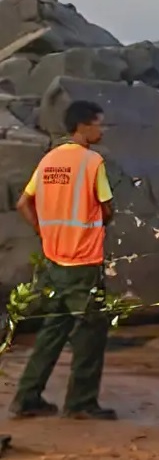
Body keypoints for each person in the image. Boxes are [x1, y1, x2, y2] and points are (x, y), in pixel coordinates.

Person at [9, 100, 116, 421]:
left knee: (53, 329)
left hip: (55, 259)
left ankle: (27, 397)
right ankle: (81, 403)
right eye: (99, 123)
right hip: (83, 261)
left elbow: (22, 203)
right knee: (90, 331)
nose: (102, 129)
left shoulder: (49, 160)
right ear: (83, 126)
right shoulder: (92, 162)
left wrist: (44, 231)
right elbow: (107, 208)